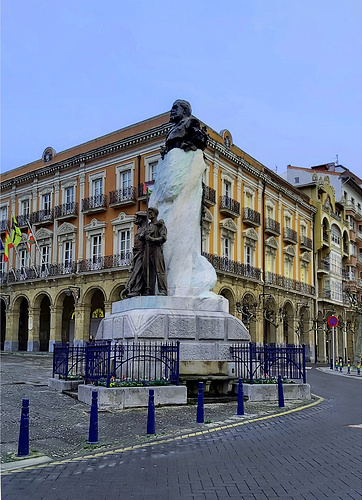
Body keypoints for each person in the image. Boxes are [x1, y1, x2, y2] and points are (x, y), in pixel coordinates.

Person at [142, 207, 167, 296]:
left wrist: (152, 239)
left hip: (156, 248)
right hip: (147, 249)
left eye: (150, 212)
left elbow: (163, 238)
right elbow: (141, 237)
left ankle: (163, 290)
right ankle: (149, 290)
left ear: (155, 214)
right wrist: (143, 236)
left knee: (159, 270)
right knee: (147, 271)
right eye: (148, 212)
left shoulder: (160, 225)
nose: (149, 214)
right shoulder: (147, 226)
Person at [123, 211, 148, 297]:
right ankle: (134, 289)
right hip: (136, 252)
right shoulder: (140, 229)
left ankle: (137, 289)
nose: (136, 220)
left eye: (138, 218)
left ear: (142, 218)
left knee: (138, 271)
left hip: (142, 252)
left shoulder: (145, 228)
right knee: (135, 270)